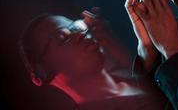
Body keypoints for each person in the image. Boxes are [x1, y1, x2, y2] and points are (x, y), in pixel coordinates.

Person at [19, 10, 165, 110]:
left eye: (76, 27)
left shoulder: (130, 74)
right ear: (41, 74)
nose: (80, 35)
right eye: (62, 38)